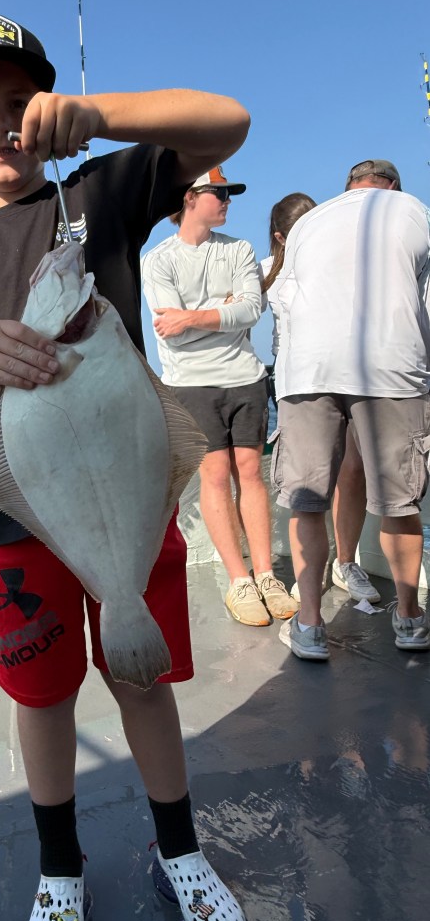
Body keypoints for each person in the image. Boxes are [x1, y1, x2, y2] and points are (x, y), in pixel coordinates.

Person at [0, 13, 253, 921]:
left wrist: (98, 117)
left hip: (128, 499)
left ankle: (180, 850)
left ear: (49, 109)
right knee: (43, 697)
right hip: (18, 520)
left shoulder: (99, 190)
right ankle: (60, 873)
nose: (0, 122)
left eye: (20, 103)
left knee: (143, 682)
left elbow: (226, 122)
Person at [271, 159, 430, 661]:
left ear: (348, 188)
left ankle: (311, 624)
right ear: (392, 187)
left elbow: (282, 297)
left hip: (308, 370)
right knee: (400, 502)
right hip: (393, 367)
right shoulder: (414, 210)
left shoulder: (311, 223)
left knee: (307, 501)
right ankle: (409, 618)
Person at [142, 168, 297, 628]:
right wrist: (220, 312)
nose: (228, 200)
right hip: (191, 383)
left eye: (228, 193)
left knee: (251, 472)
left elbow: (252, 309)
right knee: (214, 476)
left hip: (245, 377)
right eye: (220, 192)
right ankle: (238, 581)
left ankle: (265, 574)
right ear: (189, 197)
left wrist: (192, 317)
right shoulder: (159, 259)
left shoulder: (240, 249)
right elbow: (169, 335)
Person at [260, 192, 381, 605]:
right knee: (307, 487)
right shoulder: (265, 276)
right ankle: (313, 573)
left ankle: (346, 562)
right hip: (298, 385)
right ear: (280, 237)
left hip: (348, 376)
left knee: (353, 468)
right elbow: (238, 316)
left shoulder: (339, 270)